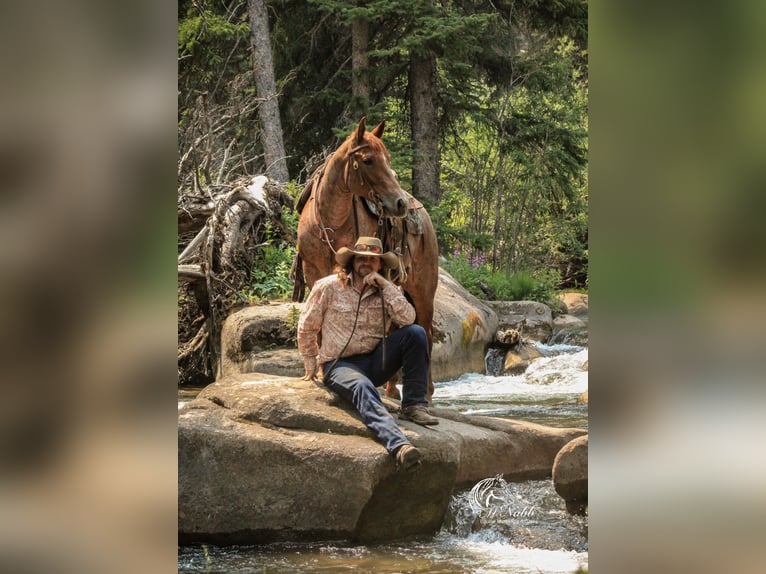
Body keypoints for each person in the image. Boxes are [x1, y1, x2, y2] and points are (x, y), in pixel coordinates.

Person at [297, 236, 438, 471]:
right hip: (339, 365)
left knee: (416, 333)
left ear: (380, 265)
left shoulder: (387, 290)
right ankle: (399, 445)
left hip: (375, 361)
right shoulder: (329, 286)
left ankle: (414, 405)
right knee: (362, 387)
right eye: (361, 258)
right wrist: (311, 363)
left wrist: (386, 286)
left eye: (372, 260)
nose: (366, 263)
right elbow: (306, 326)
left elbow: (408, 318)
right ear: (351, 261)